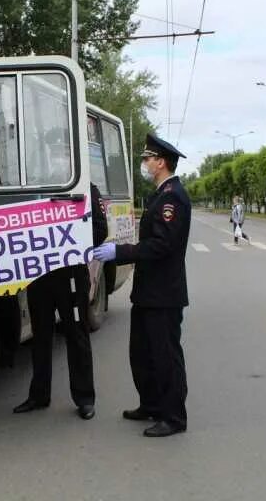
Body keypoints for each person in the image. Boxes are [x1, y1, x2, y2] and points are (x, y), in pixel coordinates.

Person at [94, 133, 191, 437]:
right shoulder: (160, 193)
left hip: (164, 294)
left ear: (161, 162)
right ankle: (150, 403)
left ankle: (173, 417)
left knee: (165, 356)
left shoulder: (172, 197)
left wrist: (121, 251)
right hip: (149, 292)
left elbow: (161, 246)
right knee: (143, 352)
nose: (145, 163)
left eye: (148, 159)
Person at [14, 182, 108, 420]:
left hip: (71, 276)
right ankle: (39, 395)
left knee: (77, 335)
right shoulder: (34, 188)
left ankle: (85, 398)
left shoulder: (85, 188)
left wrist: (69, 241)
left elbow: (100, 229)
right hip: (40, 275)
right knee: (40, 336)